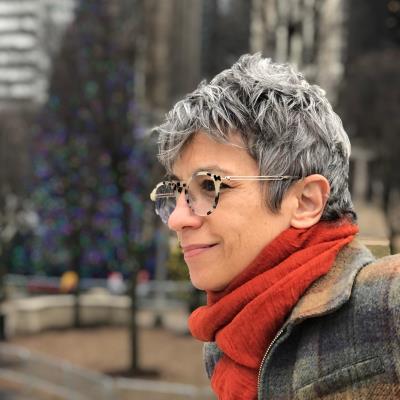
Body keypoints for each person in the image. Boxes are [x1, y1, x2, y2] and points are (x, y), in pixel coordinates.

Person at [150, 54, 400, 399]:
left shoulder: (385, 305)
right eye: (177, 192)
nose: (177, 219)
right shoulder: (226, 343)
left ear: (306, 201)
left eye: (209, 185)